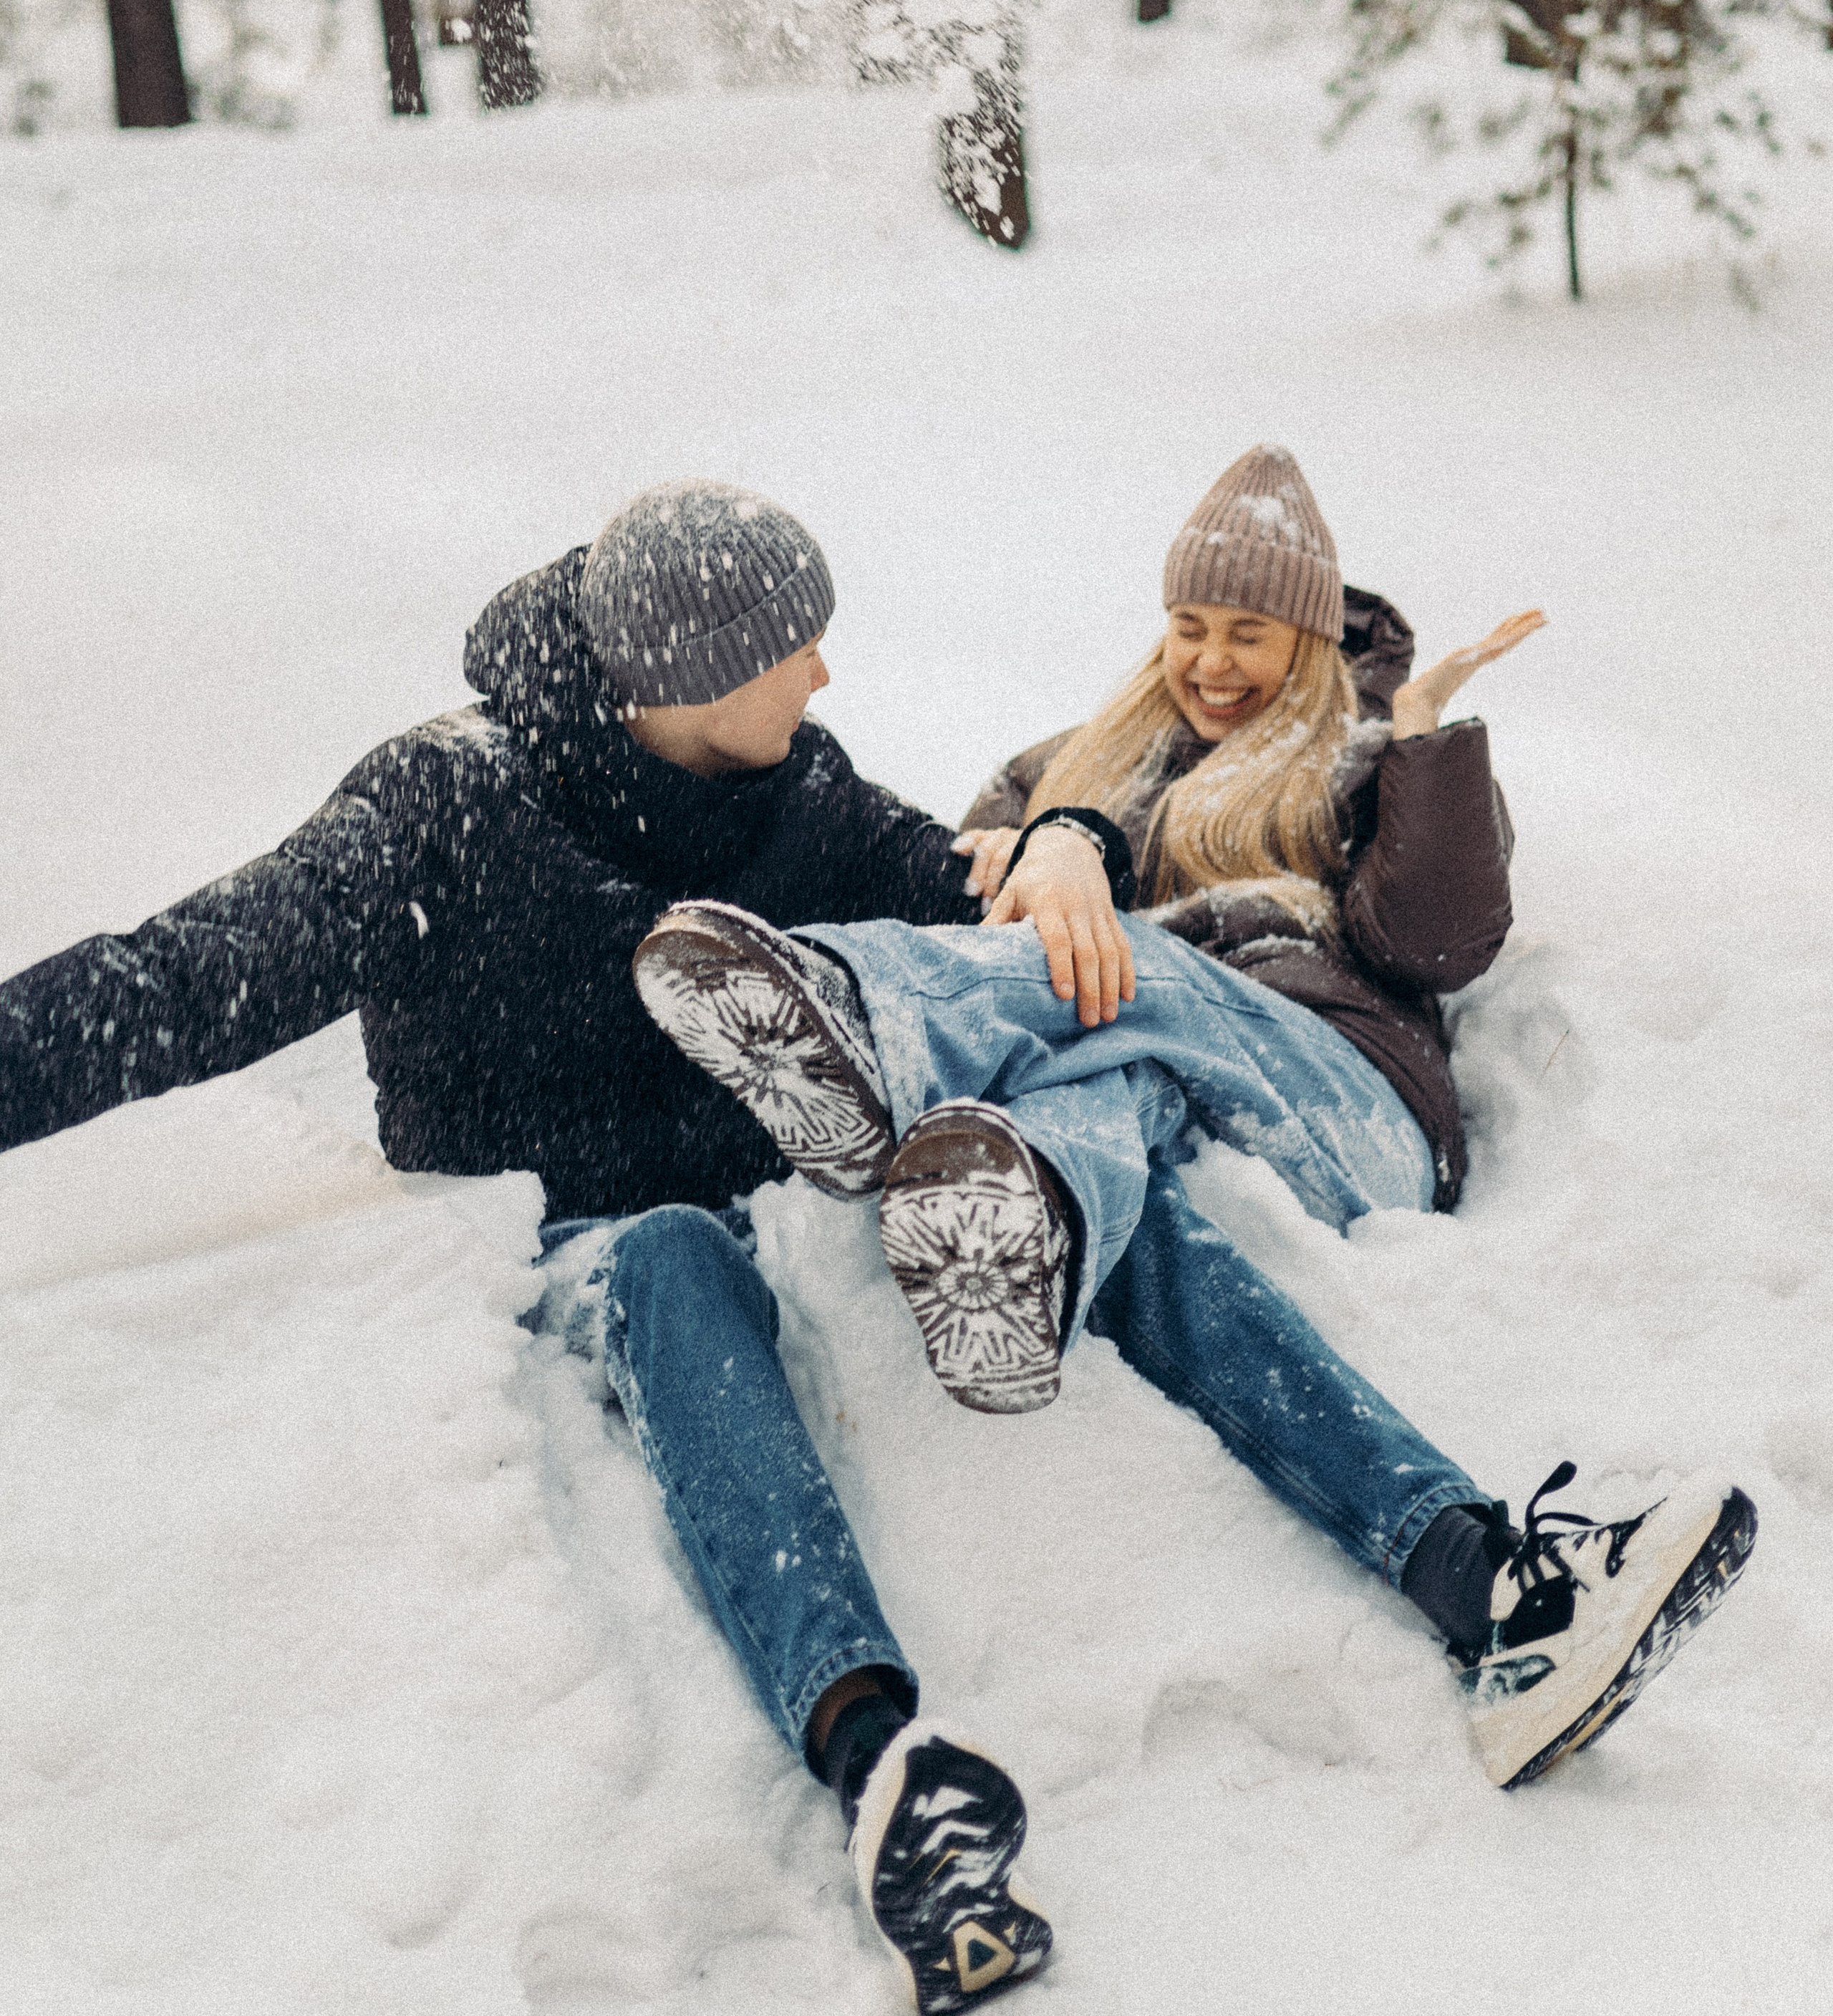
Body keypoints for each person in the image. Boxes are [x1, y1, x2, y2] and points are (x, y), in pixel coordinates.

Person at [0, 481, 1137, 2015]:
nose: (822, 677)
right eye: (793, 648)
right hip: (565, 1246)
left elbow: (957, 900)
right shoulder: (442, 805)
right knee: (669, 1257)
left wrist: (1060, 837)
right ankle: (882, 1765)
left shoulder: (793, 785)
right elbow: (195, 974)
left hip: (760, 1215)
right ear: (678, 678)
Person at [631, 450, 1756, 1809]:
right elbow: (970, 899)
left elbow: (1440, 939)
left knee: (1136, 964)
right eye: (1191, 628)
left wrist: (1425, 736)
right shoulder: (1070, 768)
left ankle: (869, 1017)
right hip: (1156, 1095)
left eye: (1252, 635)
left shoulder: (1360, 755)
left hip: (1345, 1101)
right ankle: (1485, 1586)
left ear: (1309, 638)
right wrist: (1025, 858)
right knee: (1109, 1135)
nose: (1216, 663)